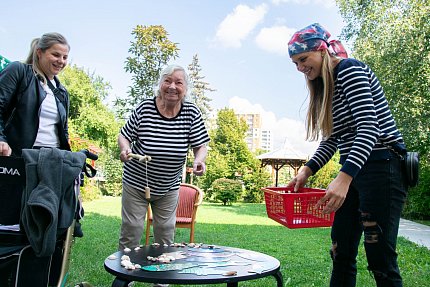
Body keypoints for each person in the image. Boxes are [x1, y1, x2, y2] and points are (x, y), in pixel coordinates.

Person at [286, 23, 407, 287]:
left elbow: (369, 128)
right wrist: (307, 170)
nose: (300, 68)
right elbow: (333, 139)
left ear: (321, 50)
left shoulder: (349, 69)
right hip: (354, 168)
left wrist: (343, 178)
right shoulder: (325, 87)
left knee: (380, 258)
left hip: (381, 166)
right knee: (340, 251)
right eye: (295, 63)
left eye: (303, 59)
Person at [0, 32, 75, 286]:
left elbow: (60, 132)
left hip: (50, 165)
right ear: (40, 52)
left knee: (48, 225)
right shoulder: (19, 72)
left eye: (65, 56)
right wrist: (1, 139)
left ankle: (38, 275)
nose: (61, 61)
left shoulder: (60, 91)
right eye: (56, 54)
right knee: (14, 228)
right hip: (19, 161)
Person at [118, 64, 210, 251]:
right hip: (136, 182)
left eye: (178, 82)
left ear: (185, 88)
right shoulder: (146, 108)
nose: (172, 86)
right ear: (160, 84)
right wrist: (125, 149)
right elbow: (124, 135)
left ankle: (161, 278)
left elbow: (201, 145)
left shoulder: (191, 112)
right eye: (167, 81)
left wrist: (199, 160)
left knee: (166, 233)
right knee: (132, 230)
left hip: (168, 185)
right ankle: (125, 276)